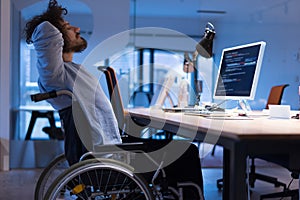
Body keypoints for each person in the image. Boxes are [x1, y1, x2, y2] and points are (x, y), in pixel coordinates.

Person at [24, 0, 204, 199]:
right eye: (67, 27)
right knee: (186, 152)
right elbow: (45, 30)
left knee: (174, 149)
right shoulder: (55, 77)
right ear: (56, 39)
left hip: (107, 151)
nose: (77, 28)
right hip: (106, 160)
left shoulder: (70, 72)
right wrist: (52, 18)